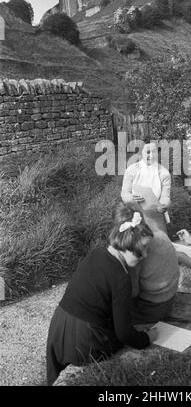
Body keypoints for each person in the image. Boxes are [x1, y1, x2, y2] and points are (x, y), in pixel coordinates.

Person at [46, 203, 157, 386]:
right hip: (84, 338)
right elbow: (124, 332)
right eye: (140, 251)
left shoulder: (97, 253)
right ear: (125, 245)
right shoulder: (121, 277)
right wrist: (146, 338)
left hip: (59, 325)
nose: (145, 255)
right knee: (116, 342)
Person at [123, 205, 179, 324]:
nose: (145, 254)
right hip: (170, 296)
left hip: (153, 306)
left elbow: (133, 292)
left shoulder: (136, 249)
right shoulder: (157, 231)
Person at [121, 139, 171, 232]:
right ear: (141, 153)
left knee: (159, 243)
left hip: (156, 216)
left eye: (154, 152)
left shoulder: (164, 173)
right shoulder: (131, 170)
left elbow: (165, 196)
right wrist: (132, 198)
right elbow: (125, 193)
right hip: (135, 215)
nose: (151, 156)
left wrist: (163, 204)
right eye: (148, 152)